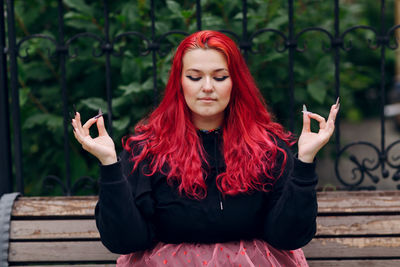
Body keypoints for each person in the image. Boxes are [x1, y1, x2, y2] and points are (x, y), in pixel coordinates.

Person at [71, 30, 339, 266]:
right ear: (180, 82)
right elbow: (124, 241)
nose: (207, 88)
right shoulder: (148, 150)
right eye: (195, 77)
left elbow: (288, 236)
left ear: (235, 83)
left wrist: (304, 161)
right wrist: (109, 165)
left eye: (220, 77)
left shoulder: (267, 148)